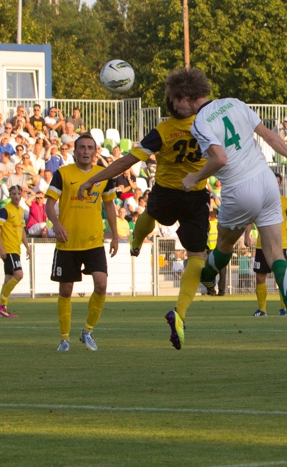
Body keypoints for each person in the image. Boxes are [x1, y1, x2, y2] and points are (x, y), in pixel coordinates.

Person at [170, 68, 287, 350]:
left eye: (176, 102)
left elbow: (220, 158)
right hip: (266, 181)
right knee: (276, 255)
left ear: (187, 97)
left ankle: (209, 278)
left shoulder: (199, 123)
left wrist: (194, 177)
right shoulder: (235, 103)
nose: (175, 108)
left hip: (238, 188)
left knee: (222, 247)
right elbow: (269, 136)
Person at [78, 94, 210, 349]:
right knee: (196, 254)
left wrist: (95, 178)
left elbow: (128, 160)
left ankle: (139, 241)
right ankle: (178, 310)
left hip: (168, 192)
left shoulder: (162, 131)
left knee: (156, 218)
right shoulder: (206, 123)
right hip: (194, 193)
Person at [46, 133, 118, 352]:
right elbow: (49, 204)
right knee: (66, 291)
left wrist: (115, 235)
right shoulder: (63, 173)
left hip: (94, 241)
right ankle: (64, 338)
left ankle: (87, 331)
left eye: (90, 147)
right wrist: (56, 224)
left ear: (95, 151)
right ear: (75, 151)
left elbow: (110, 206)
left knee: (101, 284)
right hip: (68, 242)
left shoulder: (104, 175)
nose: (86, 151)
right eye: (82, 148)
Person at [249, 173, 287, 316]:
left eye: (277, 182)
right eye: (272, 181)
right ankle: (262, 309)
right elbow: (250, 219)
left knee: (282, 276)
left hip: (280, 245)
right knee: (260, 277)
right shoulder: (259, 201)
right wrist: (247, 235)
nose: (275, 184)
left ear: (280, 185)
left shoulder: (286, 202)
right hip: (261, 245)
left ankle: (284, 308)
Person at [0, 185, 31, 318]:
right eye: (14, 194)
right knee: (19, 275)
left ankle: (2, 311)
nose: (16, 196)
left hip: (16, 249)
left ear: (21, 195)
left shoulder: (21, 211)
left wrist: (27, 247)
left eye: (18, 194)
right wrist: (1, 248)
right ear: (9, 194)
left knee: (8, 278)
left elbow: (22, 232)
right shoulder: (5, 210)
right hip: (9, 249)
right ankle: (1, 302)